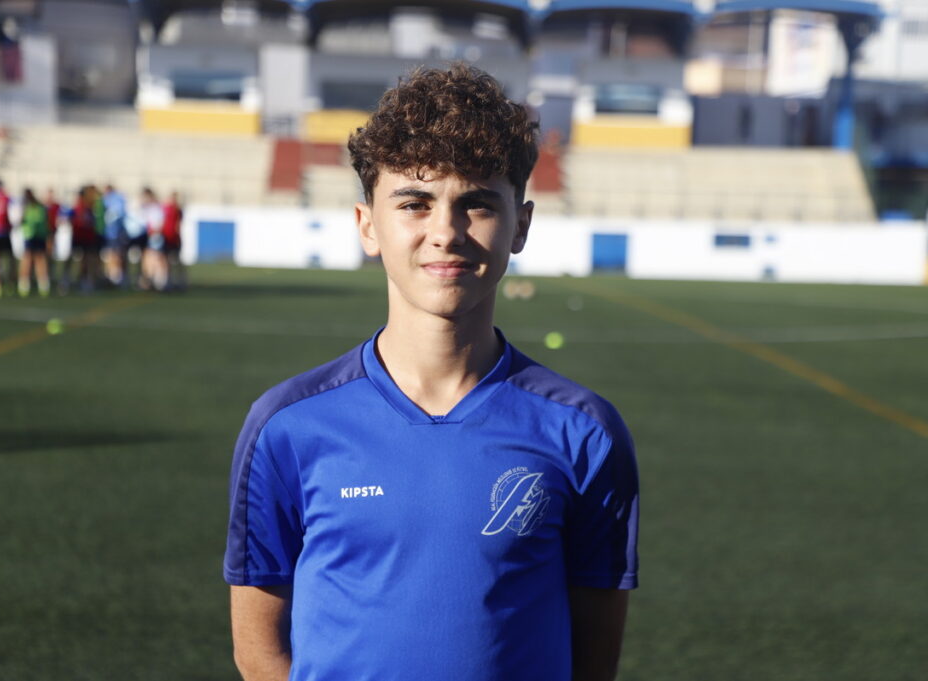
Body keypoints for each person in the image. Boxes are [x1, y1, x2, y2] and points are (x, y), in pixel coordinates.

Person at [224, 64, 639, 681]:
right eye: (414, 203)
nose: (445, 233)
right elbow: (259, 652)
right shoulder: (287, 427)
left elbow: (593, 660)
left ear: (520, 224)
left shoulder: (584, 433)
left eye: (475, 204)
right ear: (368, 225)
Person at [17, 188, 51, 297]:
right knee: (29, 259)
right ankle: (25, 284)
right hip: (31, 236)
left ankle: (41, 284)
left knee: (38, 259)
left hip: (37, 236)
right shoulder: (29, 207)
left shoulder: (37, 207)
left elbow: (44, 222)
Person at [102, 184, 128, 286]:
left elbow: (118, 215)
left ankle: (117, 277)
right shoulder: (105, 200)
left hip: (116, 233)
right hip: (108, 233)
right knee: (110, 254)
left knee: (116, 254)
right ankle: (111, 276)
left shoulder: (116, 200)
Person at [160, 190, 184, 290]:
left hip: (175, 238)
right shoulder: (165, 209)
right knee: (166, 261)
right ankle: (168, 281)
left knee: (176, 260)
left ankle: (180, 281)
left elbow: (178, 224)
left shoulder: (178, 210)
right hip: (166, 237)